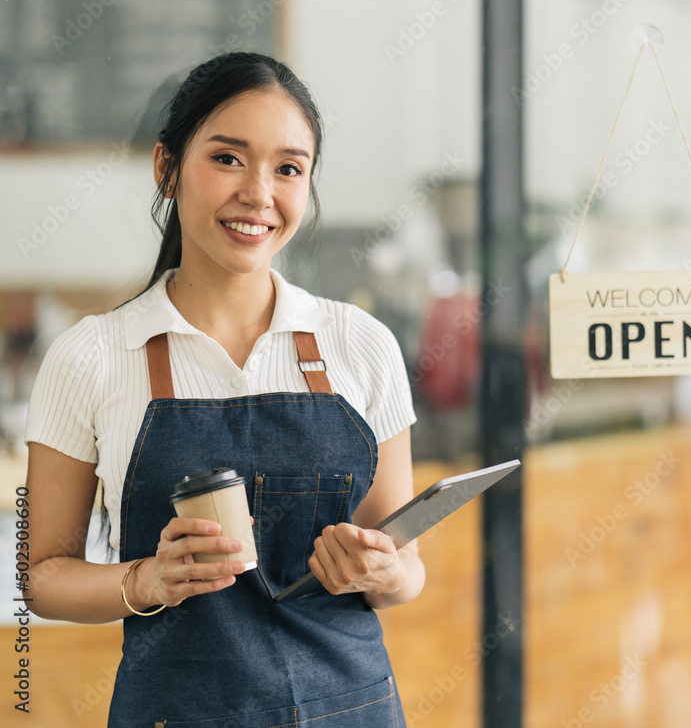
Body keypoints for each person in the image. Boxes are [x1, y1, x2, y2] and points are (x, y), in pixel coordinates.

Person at [23, 51, 424, 727]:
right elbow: (36, 573)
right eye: (229, 158)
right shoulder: (90, 356)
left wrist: (380, 573)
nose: (259, 194)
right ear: (167, 168)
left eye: (289, 168)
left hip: (351, 709)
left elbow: (406, 566)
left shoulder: (360, 344)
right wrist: (145, 579)